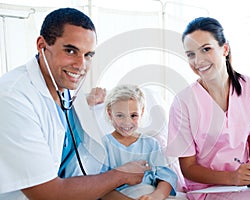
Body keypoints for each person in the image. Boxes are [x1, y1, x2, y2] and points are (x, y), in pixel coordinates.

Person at [0, 8, 150, 200]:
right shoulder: (12, 99)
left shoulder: (63, 87)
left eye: (88, 55)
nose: (81, 65)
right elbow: (49, 193)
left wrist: (85, 101)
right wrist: (121, 175)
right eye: (71, 51)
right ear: (41, 45)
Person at [166, 17, 250, 200]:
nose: (198, 61)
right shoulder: (183, 102)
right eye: (191, 54)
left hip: (244, 184)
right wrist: (232, 178)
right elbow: (188, 168)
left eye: (206, 49)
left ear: (225, 49)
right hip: (209, 189)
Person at [100, 84, 177, 200]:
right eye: (120, 115)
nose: (127, 122)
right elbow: (100, 188)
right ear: (110, 113)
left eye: (133, 115)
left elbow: (166, 178)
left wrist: (155, 197)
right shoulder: (104, 145)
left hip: (149, 194)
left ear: (141, 112)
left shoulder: (151, 144)